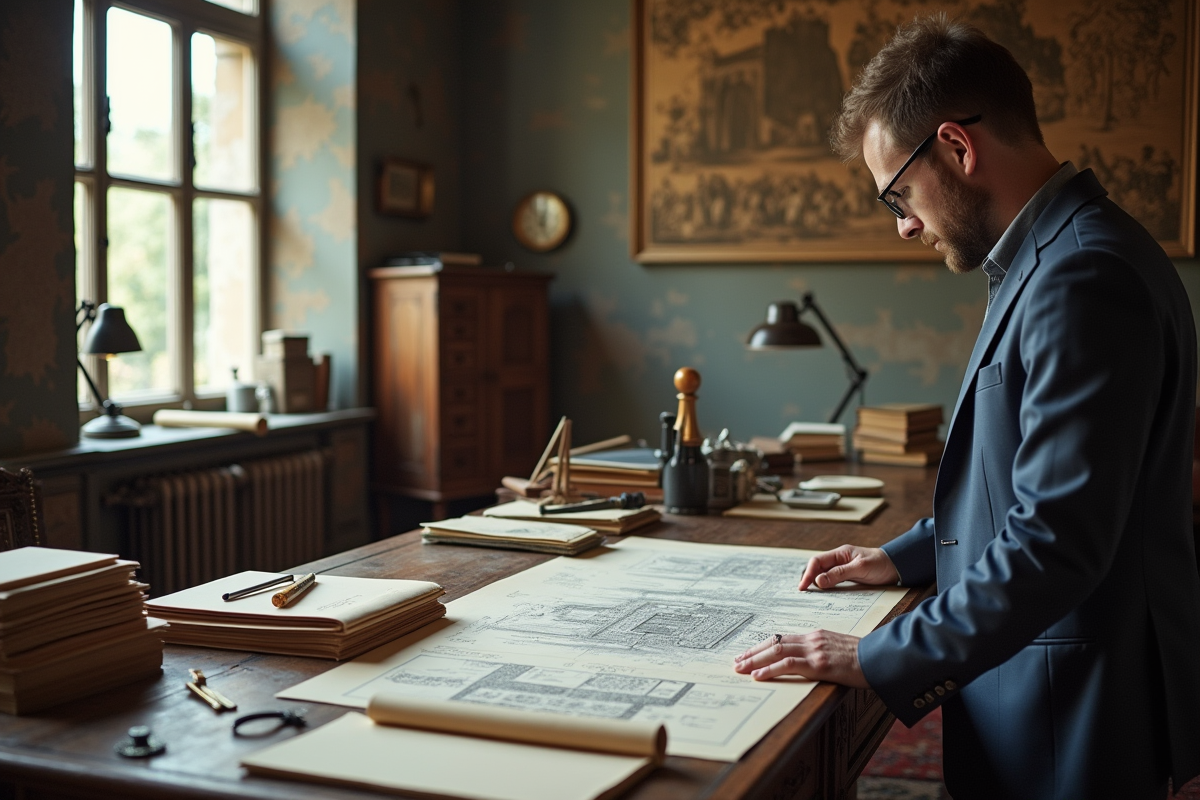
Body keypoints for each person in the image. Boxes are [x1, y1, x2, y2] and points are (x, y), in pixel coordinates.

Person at [732, 15, 1200, 800]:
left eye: (899, 195)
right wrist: (901, 556)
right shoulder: (1055, 257)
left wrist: (870, 656)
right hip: (1043, 682)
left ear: (957, 145)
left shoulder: (1081, 276)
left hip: (1071, 709)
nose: (907, 224)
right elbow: (1020, 479)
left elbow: (1057, 538)